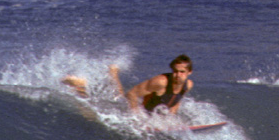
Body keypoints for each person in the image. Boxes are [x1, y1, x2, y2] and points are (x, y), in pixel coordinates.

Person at [62, 54, 194, 116]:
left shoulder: (187, 85)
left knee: (117, 95)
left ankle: (113, 73)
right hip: (131, 107)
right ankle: (78, 86)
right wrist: (136, 117)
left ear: (189, 72)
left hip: (141, 109)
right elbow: (131, 94)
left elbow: (176, 100)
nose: (178, 75)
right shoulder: (161, 82)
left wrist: (171, 119)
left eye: (182, 72)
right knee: (91, 113)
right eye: (175, 71)